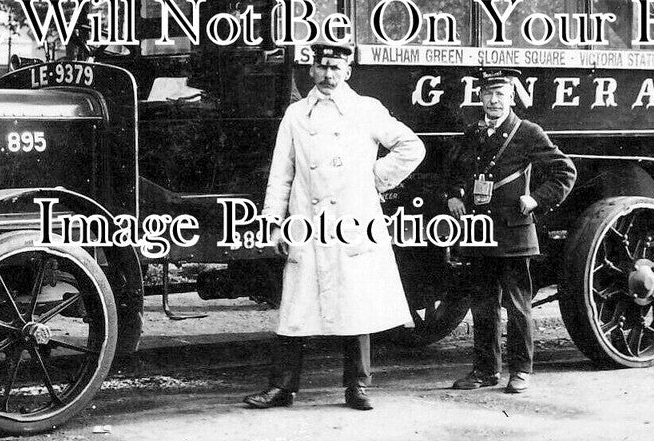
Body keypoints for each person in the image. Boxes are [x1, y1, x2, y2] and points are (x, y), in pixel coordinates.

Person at [244, 40, 425, 411]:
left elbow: (411, 147)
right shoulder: (296, 114)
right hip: (306, 222)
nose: (328, 74)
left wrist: (373, 179)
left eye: (335, 67)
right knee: (295, 308)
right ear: (311, 70)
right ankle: (282, 388)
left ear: (348, 71)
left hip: (351, 222)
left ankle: (358, 387)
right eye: (322, 66)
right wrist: (275, 225)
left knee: (353, 304)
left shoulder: (365, 109)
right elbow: (282, 173)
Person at [444, 68, 576, 395]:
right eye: (488, 94)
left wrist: (536, 199)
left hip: (515, 232)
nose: (493, 100)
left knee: (517, 306)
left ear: (512, 98)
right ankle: (486, 370)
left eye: (500, 94)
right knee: (483, 305)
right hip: (481, 233)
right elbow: (454, 170)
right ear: (480, 97)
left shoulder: (527, 131)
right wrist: (454, 196)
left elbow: (564, 171)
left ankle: (521, 370)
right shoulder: (474, 132)